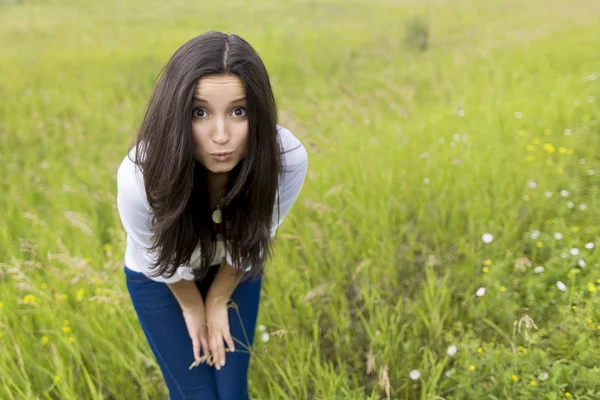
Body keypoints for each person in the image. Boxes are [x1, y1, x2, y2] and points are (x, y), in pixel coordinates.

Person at [115, 31, 308, 400]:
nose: (221, 135)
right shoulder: (140, 176)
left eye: (239, 111)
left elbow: (259, 233)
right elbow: (155, 257)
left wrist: (218, 298)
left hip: (235, 268)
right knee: (196, 394)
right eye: (199, 112)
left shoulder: (287, 160)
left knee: (232, 392)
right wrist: (193, 305)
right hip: (160, 277)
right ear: (176, 112)